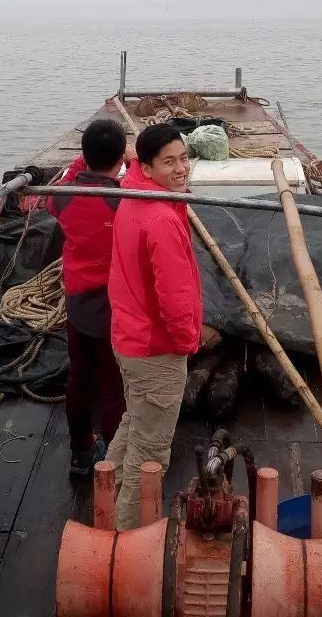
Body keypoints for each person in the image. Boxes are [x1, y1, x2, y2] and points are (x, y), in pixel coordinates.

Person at [105, 122, 203, 529]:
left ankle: (102, 501)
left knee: (132, 424)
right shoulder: (161, 219)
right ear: (146, 166)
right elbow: (174, 298)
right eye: (169, 162)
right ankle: (126, 541)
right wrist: (187, 342)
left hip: (129, 339)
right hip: (155, 348)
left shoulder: (131, 196)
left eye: (184, 158)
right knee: (149, 455)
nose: (181, 169)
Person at [46, 118, 132, 477]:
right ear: (120, 158)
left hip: (77, 302)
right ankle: (112, 464)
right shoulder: (124, 202)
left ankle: (81, 450)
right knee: (112, 387)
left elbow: (68, 183)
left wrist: (85, 161)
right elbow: (145, 180)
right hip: (112, 305)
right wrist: (136, 157)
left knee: (79, 376)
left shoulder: (63, 198)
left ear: (84, 154)